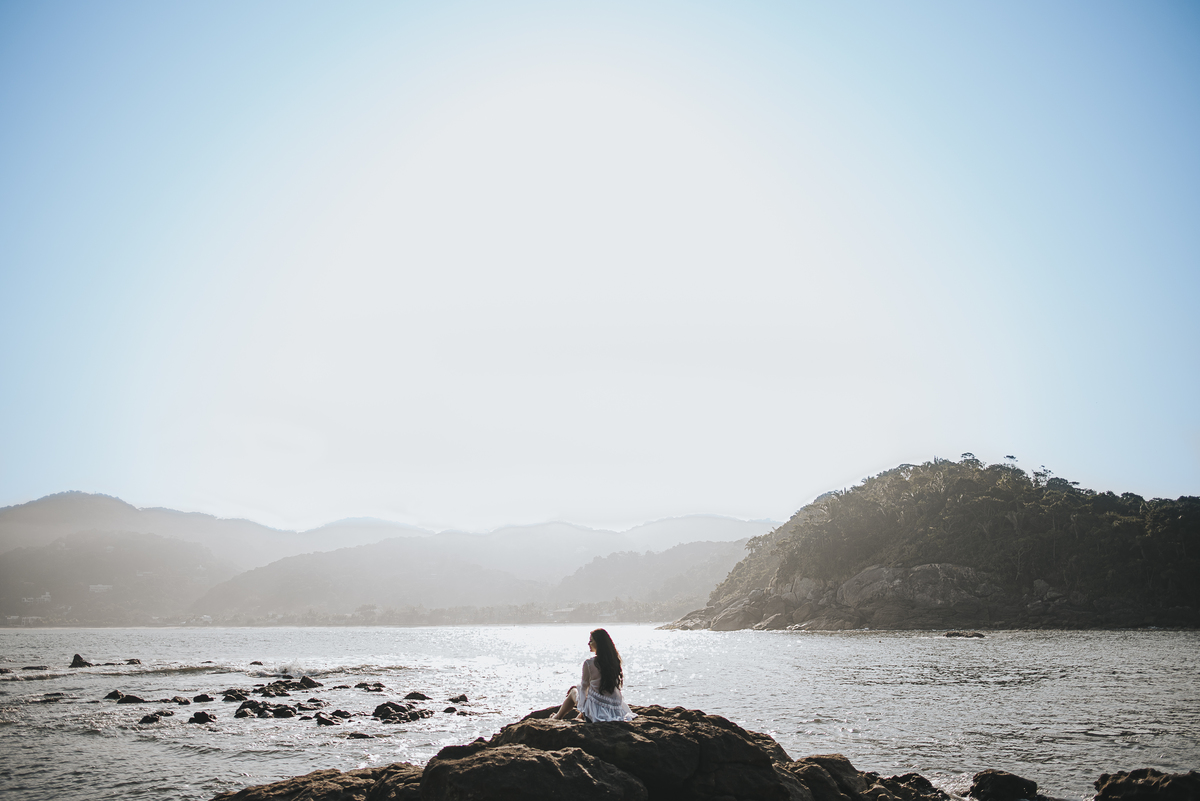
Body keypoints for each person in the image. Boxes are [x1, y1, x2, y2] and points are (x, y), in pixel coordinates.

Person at [552, 628, 635, 722]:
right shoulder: (614, 661)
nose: (588, 644)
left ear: (599, 643)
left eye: (591, 641)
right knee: (590, 694)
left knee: (573, 691)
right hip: (613, 707)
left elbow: (584, 687)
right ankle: (579, 717)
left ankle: (557, 717)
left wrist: (583, 708)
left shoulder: (589, 663)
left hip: (597, 709)